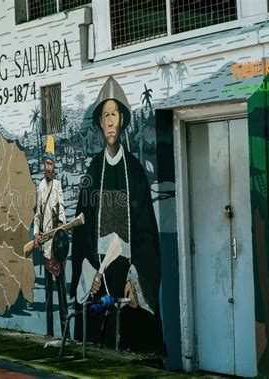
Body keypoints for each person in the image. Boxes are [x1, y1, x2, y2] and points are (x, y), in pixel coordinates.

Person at [70, 76, 164, 352]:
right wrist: (88, 273)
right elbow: (82, 231)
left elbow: (147, 233)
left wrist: (137, 279)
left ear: (122, 119)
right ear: (100, 123)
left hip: (127, 275)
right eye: (105, 115)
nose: (110, 121)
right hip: (98, 277)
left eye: (114, 114)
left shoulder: (134, 171)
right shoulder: (93, 171)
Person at [33, 135, 68, 337]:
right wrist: (36, 234)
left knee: (62, 293)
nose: (48, 167)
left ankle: (64, 333)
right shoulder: (40, 187)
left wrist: (62, 226)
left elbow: (61, 210)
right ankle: (49, 333)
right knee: (47, 295)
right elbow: (38, 214)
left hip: (57, 247)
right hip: (45, 247)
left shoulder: (57, 186)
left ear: (54, 167)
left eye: (51, 164)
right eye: (46, 164)